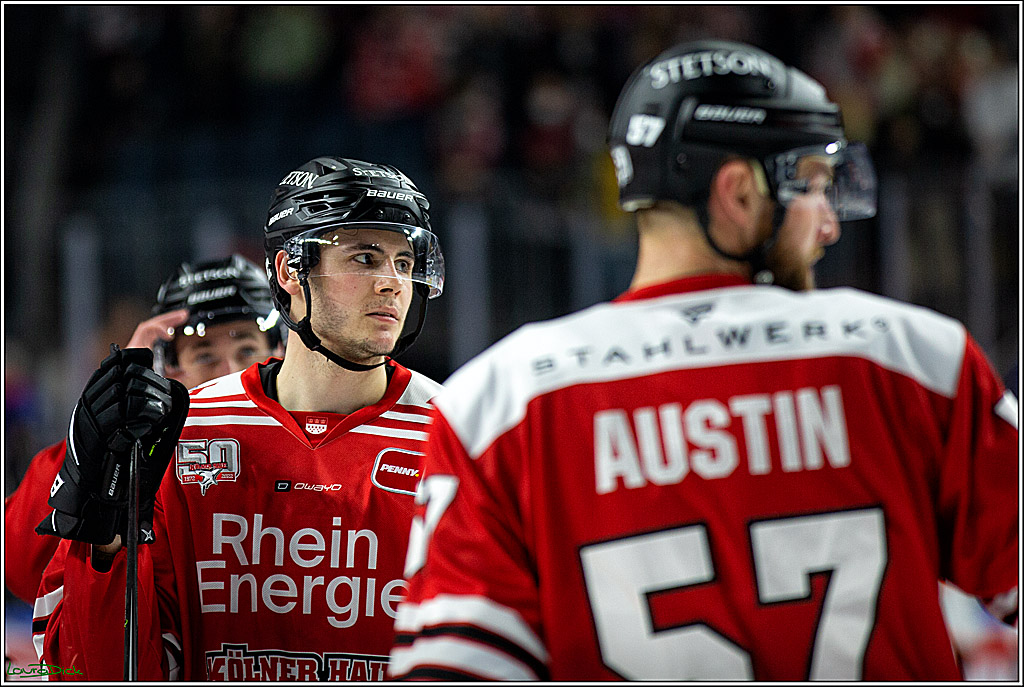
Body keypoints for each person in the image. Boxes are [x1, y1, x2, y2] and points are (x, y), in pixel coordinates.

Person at [388, 40, 1018, 681]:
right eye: (812, 184)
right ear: (738, 192)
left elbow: (454, 670)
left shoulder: (499, 401)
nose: (828, 225)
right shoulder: (914, 360)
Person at [33, 157, 446, 681]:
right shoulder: (182, 433)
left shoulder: (456, 435)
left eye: (405, 263)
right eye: (364, 258)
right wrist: (105, 543)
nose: (392, 283)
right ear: (290, 271)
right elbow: (80, 671)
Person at [5, 254, 284, 606]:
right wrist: (103, 433)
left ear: (279, 352)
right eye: (204, 355)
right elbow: (23, 565)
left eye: (246, 350)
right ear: (169, 368)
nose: (229, 372)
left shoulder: (311, 439)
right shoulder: (146, 456)